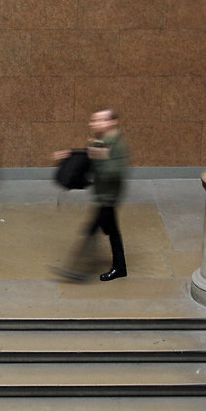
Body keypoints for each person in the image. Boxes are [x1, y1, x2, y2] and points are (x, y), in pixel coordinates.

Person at [52, 108, 128, 282]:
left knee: (92, 230)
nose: (94, 124)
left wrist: (99, 157)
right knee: (111, 231)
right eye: (94, 120)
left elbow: (115, 171)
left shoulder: (116, 144)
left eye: (99, 120)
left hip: (108, 197)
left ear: (112, 122)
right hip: (104, 194)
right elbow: (91, 156)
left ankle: (78, 270)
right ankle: (119, 267)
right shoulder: (104, 140)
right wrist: (71, 153)